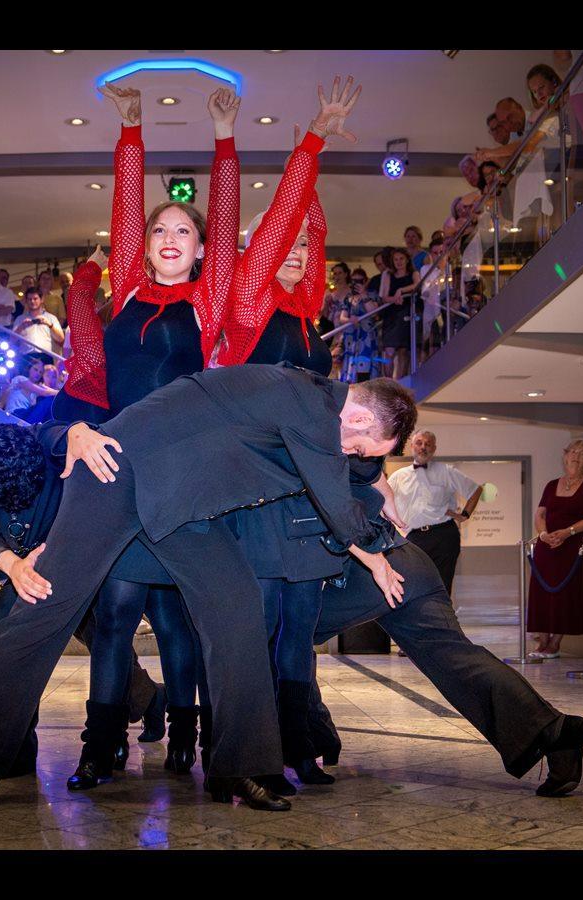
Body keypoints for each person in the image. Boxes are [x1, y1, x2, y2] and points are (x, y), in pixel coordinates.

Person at [0, 364, 416, 814]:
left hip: (182, 504)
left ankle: (242, 767)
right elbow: (339, 505)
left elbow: (348, 475)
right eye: (358, 448)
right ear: (356, 418)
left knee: (237, 605)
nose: (350, 455)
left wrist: (378, 481)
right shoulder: (309, 406)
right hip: (116, 475)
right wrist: (385, 533)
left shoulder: (314, 402)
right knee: (44, 609)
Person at [50, 83, 242, 791]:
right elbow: (125, 211)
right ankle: (100, 748)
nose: (168, 238)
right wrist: (130, 129)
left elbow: (227, 217)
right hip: (117, 470)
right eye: (160, 230)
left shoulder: (209, 298)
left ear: (199, 250)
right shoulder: (128, 286)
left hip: (182, 479)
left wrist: (224, 138)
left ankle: (184, 738)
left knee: (176, 623)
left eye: (182, 232)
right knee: (114, 617)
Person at [217, 77, 368, 789]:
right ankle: (255, 753)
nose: (300, 249)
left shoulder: (309, 320)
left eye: (307, 245)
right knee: (262, 620)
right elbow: (282, 220)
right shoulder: (248, 303)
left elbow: (310, 227)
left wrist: (311, 203)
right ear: (261, 252)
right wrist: (310, 143)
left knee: (301, 626)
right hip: (256, 488)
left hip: (308, 490)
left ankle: (300, 746)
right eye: (287, 244)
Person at [0, 422, 167, 775]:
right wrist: (14, 566)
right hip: (14, 565)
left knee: (101, 633)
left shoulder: (42, 443)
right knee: (8, 639)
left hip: (64, 555)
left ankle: (140, 705)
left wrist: (76, 431)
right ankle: (17, 749)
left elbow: (57, 432)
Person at [311, 536, 583, 798]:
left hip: (371, 568)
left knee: (291, 632)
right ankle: (557, 733)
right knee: (460, 662)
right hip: (411, 561)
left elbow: (338, 516)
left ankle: (312, 740)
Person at [527, 439, 583, 658]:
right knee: (541, 592)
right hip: (546, 545)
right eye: (573, 452)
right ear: (565, 456)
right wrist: (543, 534)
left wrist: (568, 532)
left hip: (571, 547)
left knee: (564, 594)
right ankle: (542, 641)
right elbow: (540, 514)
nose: (576, 456)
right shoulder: (551, 485)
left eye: (582, 453)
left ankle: (555, 644)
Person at [386, 430, 482, 595]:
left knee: (443, 585)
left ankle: (443, 612)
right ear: (412, 446)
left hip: (443, 535)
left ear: (434, 448)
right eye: (419, 443)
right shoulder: (398, 476)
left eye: (428, 444)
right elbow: (383, 500)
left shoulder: (446, 472)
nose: (423, 447)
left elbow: (475, 490)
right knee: (413, 584)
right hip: (413, 536)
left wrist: (464, 515)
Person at [377, 247, 419, 379]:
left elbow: (418, 285)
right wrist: (394, 299)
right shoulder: (389, 275)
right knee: (389, 350)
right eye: (396, 259)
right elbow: (384, 297)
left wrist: (401, 290)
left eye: (401, 259)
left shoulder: (414, 273)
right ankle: (388, 381)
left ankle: (402, 382)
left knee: (403, 351)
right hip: (392, 316)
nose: (399, 262)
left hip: (407, 314)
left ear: (407, 260)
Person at [12, 286, 64, 359]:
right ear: (26, 301)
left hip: (45, 356)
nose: (32, 301)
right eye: (30, 299)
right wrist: (21, 327)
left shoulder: (51, 318)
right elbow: (12, 340)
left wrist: (49, 325)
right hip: (26, 356)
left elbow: (61, 339)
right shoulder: (20, 319)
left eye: (35, 299)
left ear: (41, 299)